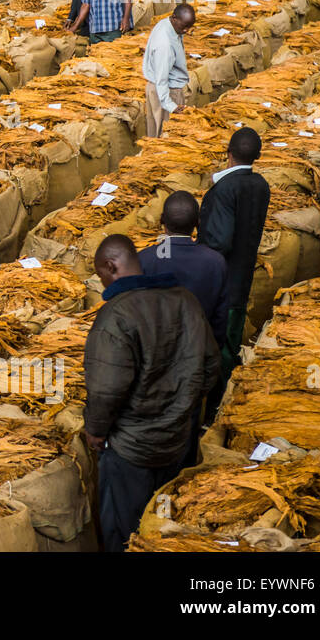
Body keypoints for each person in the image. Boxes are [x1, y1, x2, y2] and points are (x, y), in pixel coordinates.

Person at [84, 233, 218, 552]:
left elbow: (106, 389)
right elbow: (211, 366)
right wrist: (180, 407)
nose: (101, 283)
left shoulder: (115, 315)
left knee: (124, 530)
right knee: (166, 523)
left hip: (130, 450)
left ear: (111, 265)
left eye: (101, 274)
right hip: (177, 441)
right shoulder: (185, 299)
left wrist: (96, 430)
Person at [198, 127, 271, 404]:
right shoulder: (260, 185)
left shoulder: (225, 190)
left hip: (222, 286)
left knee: (219, 347)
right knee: (231, 339)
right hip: (241, 279)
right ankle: (219, 399)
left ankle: (215, 405)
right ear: (257, 156)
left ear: (227, 154)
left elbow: (218, 242)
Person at [139, 191, 230, 353]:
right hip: (199, 349)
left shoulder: (144, 260)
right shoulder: (215, 262)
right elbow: (220, 317)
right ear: (198, 222)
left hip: (154, 353)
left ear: (162, 221)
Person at [142, 4, 195, 138]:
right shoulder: (164, 45)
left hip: (160, 89)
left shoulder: (167, 23)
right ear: (175, 18)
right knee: (165, 136)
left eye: (189, 27)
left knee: (157, 131)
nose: (186, 31)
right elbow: (162, 79)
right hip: (166, 93)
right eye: (184, 27)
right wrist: (171, 106)